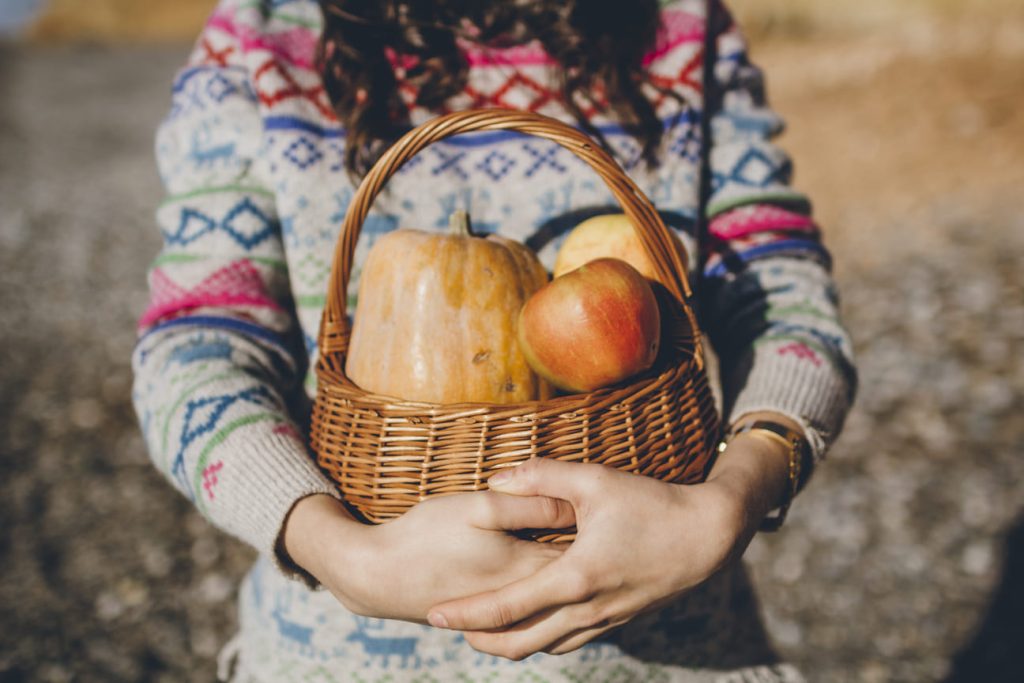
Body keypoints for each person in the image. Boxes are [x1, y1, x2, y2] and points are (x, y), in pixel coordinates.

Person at [131, 0, 856, 680]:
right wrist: (334, 547)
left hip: (672, 653)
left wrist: (730, 501)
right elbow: (198, 344)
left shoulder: (675, 23)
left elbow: (784, 299)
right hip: (341, 658)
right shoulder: (262, 34)